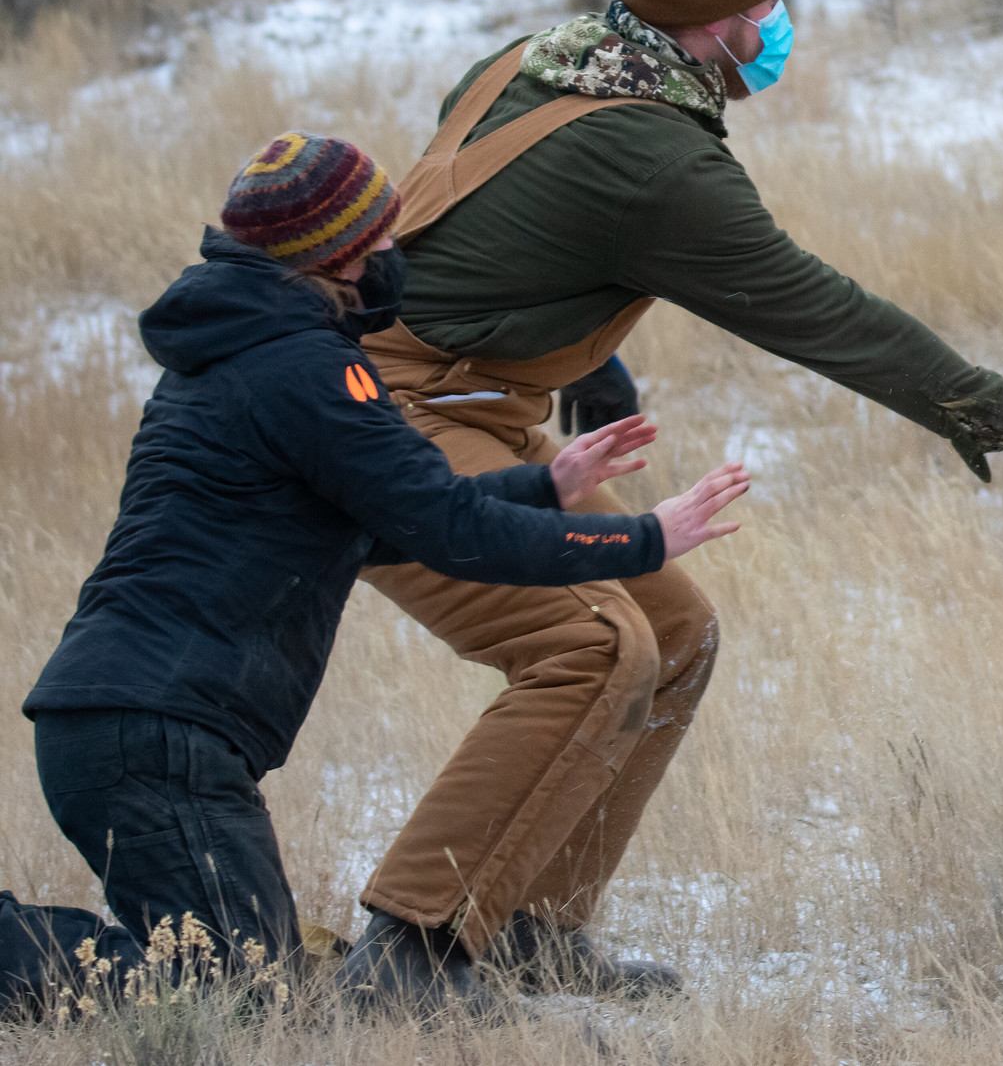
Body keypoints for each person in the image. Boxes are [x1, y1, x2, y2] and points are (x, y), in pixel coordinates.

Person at [342, 0, 1003, 1002]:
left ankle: (531, 930)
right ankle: (413, 950)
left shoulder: (542, 56)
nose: (779, 26)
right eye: (765, 9)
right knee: (588, 646)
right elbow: (821, 315)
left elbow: (491, 229)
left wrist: (589, 361)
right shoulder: (659, 163)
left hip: (475, 403)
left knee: (672, 630)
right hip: (399, 419)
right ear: (713, 21)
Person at [5, 133, 749, 1018]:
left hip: (137, 730)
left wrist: (545, 485)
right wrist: (641, 542)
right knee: (247, 1002)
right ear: (334, 256)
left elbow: (368, 530)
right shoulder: (306, 370)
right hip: (154, 738)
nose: (395, 256)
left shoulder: (247, 354)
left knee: (247, 983)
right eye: (383, 241)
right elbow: (451, 531)